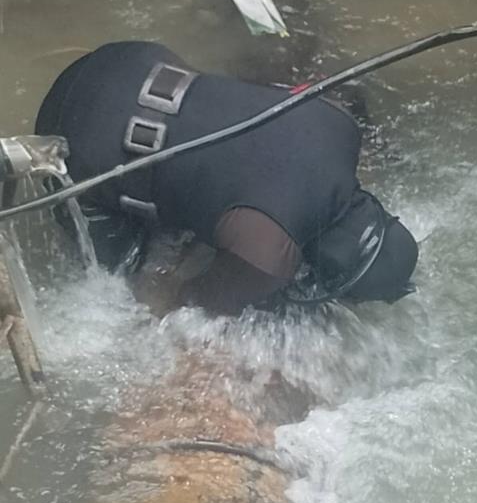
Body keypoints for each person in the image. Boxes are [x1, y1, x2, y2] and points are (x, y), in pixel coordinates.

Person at [35, 41, 418, 315]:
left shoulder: (343, 127)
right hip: (72, 145)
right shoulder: (268, 256)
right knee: (121, 288)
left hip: (128, 60)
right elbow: (189, 302)